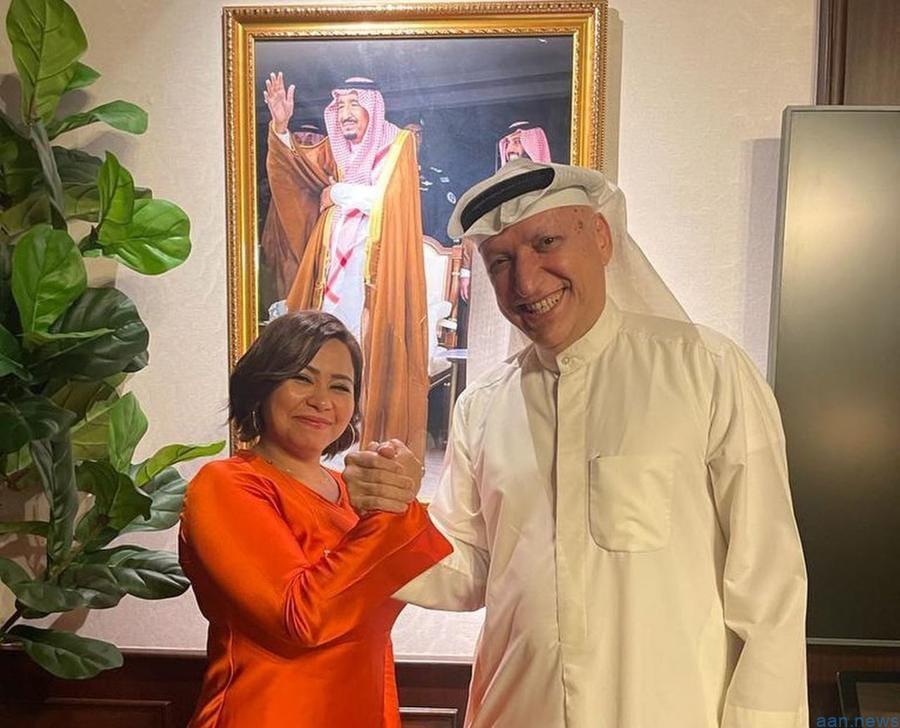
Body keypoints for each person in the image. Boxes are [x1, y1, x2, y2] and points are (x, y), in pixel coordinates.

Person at [344, 161, 809, 727]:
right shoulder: (482, 406)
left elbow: (770, 586)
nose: (526, 282)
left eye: (546, 243)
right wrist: (390, 515)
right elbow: (471, 572)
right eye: (501, 263)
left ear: (602, 237)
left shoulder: (707, 371)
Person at [179, 311, 451, 728]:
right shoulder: (226, 485)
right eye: (302, 379)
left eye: (340, 386)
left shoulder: (354, 494)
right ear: (263, 385)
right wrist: (392, 512)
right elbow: (301, 617)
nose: (322, 400)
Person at [262, 72, 429, 460]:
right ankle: (322, 444)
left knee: (363, 355)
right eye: (340, 106)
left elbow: (388, 202)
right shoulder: (335, 151)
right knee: (323, 354)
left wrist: (337, 192)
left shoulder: (397, 145)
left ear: (372, 107)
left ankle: (364, 446)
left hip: (373, 273)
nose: (346, 113)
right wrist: (281, 128)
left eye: (355, 104)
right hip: (329, 273)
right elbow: (298, 171)